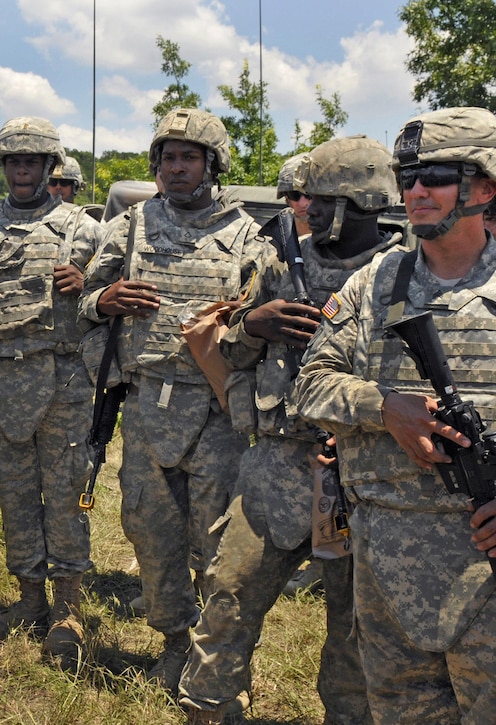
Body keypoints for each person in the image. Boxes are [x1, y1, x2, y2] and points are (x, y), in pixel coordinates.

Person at [179, 135, 402, 725]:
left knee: (354, 628)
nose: (304, 210)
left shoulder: (399, 276)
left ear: (355, 204)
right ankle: (209, 709)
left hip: (364, 476)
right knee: (227, 596)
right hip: (276, 465)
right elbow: (227, 353)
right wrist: (254, 324)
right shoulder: (279, 264)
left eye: (319, 200)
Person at [295, 106, 496, 724]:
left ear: (484, 185)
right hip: (384, 560)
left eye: (435, 175)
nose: (415, 191)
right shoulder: (377, 281)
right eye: (407, 177)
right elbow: (310, 385)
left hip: (483, 560)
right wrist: (385, 408)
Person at [78, 108, 275, 692]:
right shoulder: (130, 227)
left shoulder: (246, 236)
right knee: (149, 531)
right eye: (167, 157)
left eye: (189, 157)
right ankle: (171, 642)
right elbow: (84, 301)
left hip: (217, 413)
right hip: (145, 408)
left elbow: (265, 323)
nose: (176, 168)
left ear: (213, 164)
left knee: (218, 544)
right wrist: (106, 298)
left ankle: (216, 656)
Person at [0, 117, 103, 664]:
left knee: (63, 497)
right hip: (2, 384)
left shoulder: (82, 228)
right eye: (13, 161)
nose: (23, 171)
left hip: (62, 383)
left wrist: (89, 288)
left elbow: (111, 301)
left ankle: (68, 608)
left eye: (32, 162)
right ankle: (30, 599)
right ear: (3, 166)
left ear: (50, 167)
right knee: (13, 495)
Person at [278, 153, 313, 237]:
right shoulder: (277, 240)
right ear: (287, 199)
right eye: (294, 195)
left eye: (308, 193)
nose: (303, 203)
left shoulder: (342, 241)